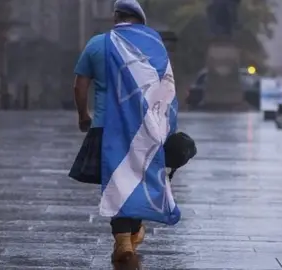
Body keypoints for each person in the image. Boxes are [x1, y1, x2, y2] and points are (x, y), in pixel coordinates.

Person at [70, 0, 180, 263]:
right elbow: (166, 88)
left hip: (106, 127)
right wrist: (167, 126)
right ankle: (129, 237)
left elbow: (79, 86)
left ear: (116, 17)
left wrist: (83, 115)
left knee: (118, 181)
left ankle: (124, 240)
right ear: (140, 22)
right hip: (145, 128)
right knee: (139, 179)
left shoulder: (99, 43)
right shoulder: (155, 47)